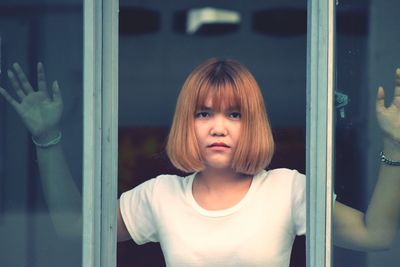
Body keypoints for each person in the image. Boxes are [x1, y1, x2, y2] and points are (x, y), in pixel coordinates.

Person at [0, 59, 399, 267]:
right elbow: (74, 229)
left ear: (252, 122)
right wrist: (46, 139)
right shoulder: (160, 194)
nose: (218, 128)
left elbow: (376, 235)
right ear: (187, 123)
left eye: (235, 114)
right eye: (204, 113)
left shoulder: (288, 188)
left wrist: (395, 145)